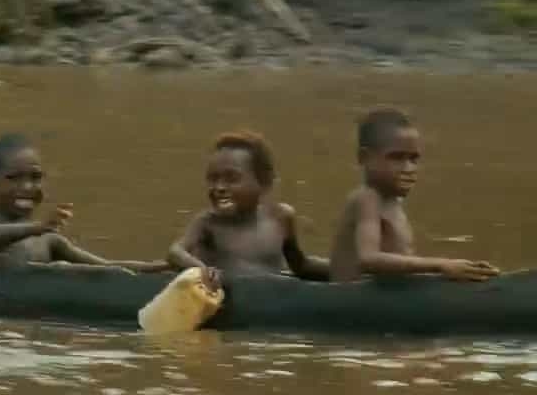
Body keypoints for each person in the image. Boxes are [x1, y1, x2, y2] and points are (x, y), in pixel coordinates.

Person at [328, 108, 498, 282]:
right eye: (396, 157)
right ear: (364, 157)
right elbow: (368, 259)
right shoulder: (368, 198)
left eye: (413, 159)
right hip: (358, 300)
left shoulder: (392, 201)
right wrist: (441, 265)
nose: (409, 168)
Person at [0, 133, 167, 271]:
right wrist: (38, 227)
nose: (27, 187)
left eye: (35, 177)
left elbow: (108, 268)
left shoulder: (48, 240)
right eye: (13, 178)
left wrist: (160, 267)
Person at [167, 130, 329, 281]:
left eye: (231, 179)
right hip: (227, 304)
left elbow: (300, 265)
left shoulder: (280, 217)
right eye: (213, 179)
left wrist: (344, 267)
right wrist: (202, 271)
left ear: (263, 183)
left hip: (271, 300)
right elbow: (175, 253)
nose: (219, 187)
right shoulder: (208, 223)